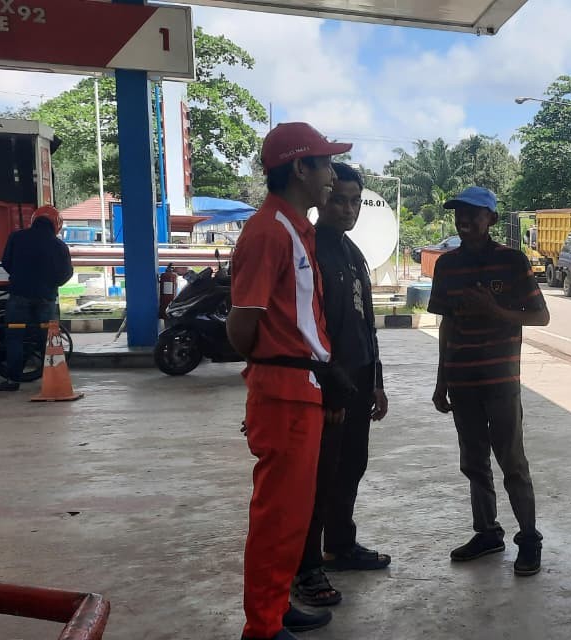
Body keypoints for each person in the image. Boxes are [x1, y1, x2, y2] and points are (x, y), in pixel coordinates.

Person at [227, 122, 351, 640]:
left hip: (303, 389)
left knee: (295, 514)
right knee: (278, 515)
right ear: (300, 168)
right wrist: (276, 362)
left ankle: (274, 607)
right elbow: (242, 326)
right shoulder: (269, 231)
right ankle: (262, 626)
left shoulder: (296, 229)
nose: (332, 176)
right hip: (284, 393)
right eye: (325, 164)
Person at [428, 186, 549, 577]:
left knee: (512, 462)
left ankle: (529, 539)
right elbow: (446, 325)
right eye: (459, 213)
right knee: (474, 462)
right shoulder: (446, 266)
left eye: (473, 213)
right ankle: (487, 533)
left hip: (500, 380)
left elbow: (540, 316)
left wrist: (495, 310)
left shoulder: (512, 262)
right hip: (462, 380)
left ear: (492, 219)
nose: (464, 219)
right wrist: (441, 380)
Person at [290, 163, 391, 608]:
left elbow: (366, 323)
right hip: (328, 385)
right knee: (319, 477)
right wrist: (328, 388)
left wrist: (377, 381)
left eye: (354, 202)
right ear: (323, 198)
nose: (347, 209)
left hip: (359, 380)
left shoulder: (353, 252)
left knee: (351, 466)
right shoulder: (310, 250)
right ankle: (307, 566)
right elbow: (307, 329)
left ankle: (340, 545)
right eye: (339, 199)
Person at [0, 206, 73, 392]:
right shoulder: (59, 245)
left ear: (34, 220)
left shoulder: (16, 238)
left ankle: (12, 380)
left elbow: (6, 263)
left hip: (19, 295)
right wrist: (51, 285)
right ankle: (52, 381)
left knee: (15, 337)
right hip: (46, 298)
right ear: (56, 224)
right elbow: (66, 273)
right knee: (48, 339)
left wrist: (20, 277)